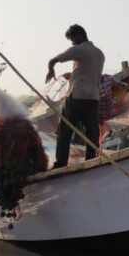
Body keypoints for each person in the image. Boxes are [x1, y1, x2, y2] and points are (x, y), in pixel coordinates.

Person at [46, 24, 105, 169]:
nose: (72, 43)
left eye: (72, 39)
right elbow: (89, 73)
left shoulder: (79, 49)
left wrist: (50, 70)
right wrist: (73, 75)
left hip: (76, 97)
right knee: (92, 133)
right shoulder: (99, 53)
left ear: (78, 35)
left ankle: (60, 163)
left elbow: (53, 60)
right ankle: (91, 161)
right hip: (93, 98)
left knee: (64, 131)